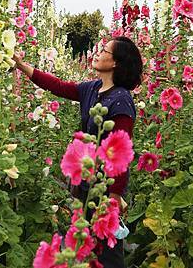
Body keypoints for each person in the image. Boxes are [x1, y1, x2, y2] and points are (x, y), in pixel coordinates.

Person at [13, 36, 143, 268]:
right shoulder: (93, 88)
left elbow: (121, 155)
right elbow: (59, 86)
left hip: (106, 186)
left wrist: (114, 198)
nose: (98, 52)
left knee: (107, 252)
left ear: (115, 63)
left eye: (104, 50)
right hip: (86, 181)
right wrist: (23, 67)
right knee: (85, 243)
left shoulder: (121, 100)